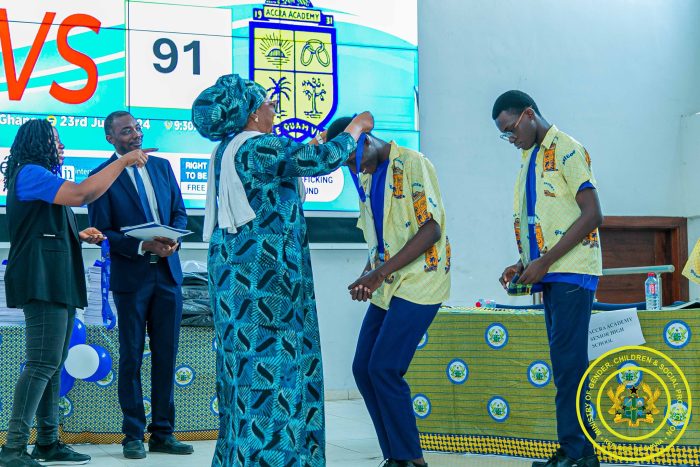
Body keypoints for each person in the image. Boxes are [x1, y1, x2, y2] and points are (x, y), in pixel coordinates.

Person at [191, 74, 373, 466]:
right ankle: (274, 458)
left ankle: (241, 456)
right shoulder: (259, 145)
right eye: (269, 105)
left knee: (243, 371)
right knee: (274, 372)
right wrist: (356, 128)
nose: (274, 111)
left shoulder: (229, 149)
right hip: (265, 281)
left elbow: (284, 174)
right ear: (252, 113)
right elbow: (319, 160)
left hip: (236, 276)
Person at [0, 119, 149, 467]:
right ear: (38, 143)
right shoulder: (30, 172)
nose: (62, 145)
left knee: (52, 364)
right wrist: (123, 162)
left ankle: (47, 442)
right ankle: (13, 448)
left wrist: (77, 235)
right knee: (41, 363)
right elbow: (82, 193)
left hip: (56, 278)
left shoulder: (40, 176)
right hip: (42, 280)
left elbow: (41, 227)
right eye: (55, 140)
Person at [325, 117, 451, 467]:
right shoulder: (367, 176)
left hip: (422, 280)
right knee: (363, 368)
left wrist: (379, 273)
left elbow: (431, 229)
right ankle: (395, 457)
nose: (352, 169)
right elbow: (381, 237)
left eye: (351, 160)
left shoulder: (412, 163)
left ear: (365, 140)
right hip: (389, 281)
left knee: (384, 367)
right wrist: (367, 274)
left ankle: (412, 459)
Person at [492, 90, 603, 467]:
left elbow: (593, 214)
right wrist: (523, 263)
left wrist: (546, 262)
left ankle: (577, 453)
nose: (511, 138)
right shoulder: (531, 158)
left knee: (570, 366)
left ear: (528, 114)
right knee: (566, 366)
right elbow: (545, 224)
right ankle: (577, 450)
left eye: (511, 129)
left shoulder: (567, 149)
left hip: (573, 272)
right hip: (552, 273)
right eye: (504, 135)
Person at [87, 111, 192, 459]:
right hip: (131, 278)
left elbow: (179, 212)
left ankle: (163, 433)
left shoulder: (162, 167)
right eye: (126, 131)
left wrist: (173, 240)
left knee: (166, 355)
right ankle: (133, 435)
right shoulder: (101, 176)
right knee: (131, 356)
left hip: (168, 274)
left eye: (137, 128)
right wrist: (142, 245)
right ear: (110, 138)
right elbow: (103, 231)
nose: (135, 134)